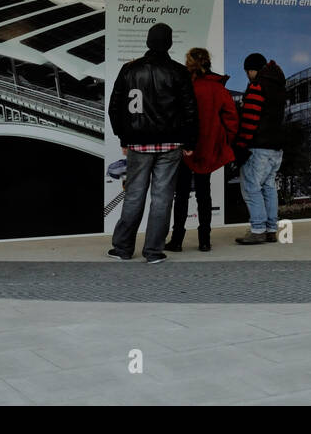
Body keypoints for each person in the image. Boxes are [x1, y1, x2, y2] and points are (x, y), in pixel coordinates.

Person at [106, 22, 198, 264]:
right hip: (170, 144)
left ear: (147, 42)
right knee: (163, 197)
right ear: (169, 43)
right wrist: (189, 142)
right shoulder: (179, 72)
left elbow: (114, 108)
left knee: (134, 195)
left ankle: (123, 248)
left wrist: (123, 137)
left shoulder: (129, 70)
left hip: (137, 144)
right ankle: (154, 251)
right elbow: (190, 111)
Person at [166, 47, 238, 253]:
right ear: (208, 62)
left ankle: (177, 239)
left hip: (183, 147)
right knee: (204, 195)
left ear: (189, 64)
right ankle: (204, 241)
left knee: (180, 195)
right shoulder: (217, 88)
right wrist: (222, 139)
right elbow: (232, 119)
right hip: (207, 147)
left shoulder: (183, 86)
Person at [233, 52, 286, 245]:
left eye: (248, 71)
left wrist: (241, 144)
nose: (247, 75)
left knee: (251, 187)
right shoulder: (279, 87)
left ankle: (257, 229)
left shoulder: (257, 87)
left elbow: (250, 120)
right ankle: (272, 229)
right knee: (269, 187)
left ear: (253, 70)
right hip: (275, 148)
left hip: (258, 146)